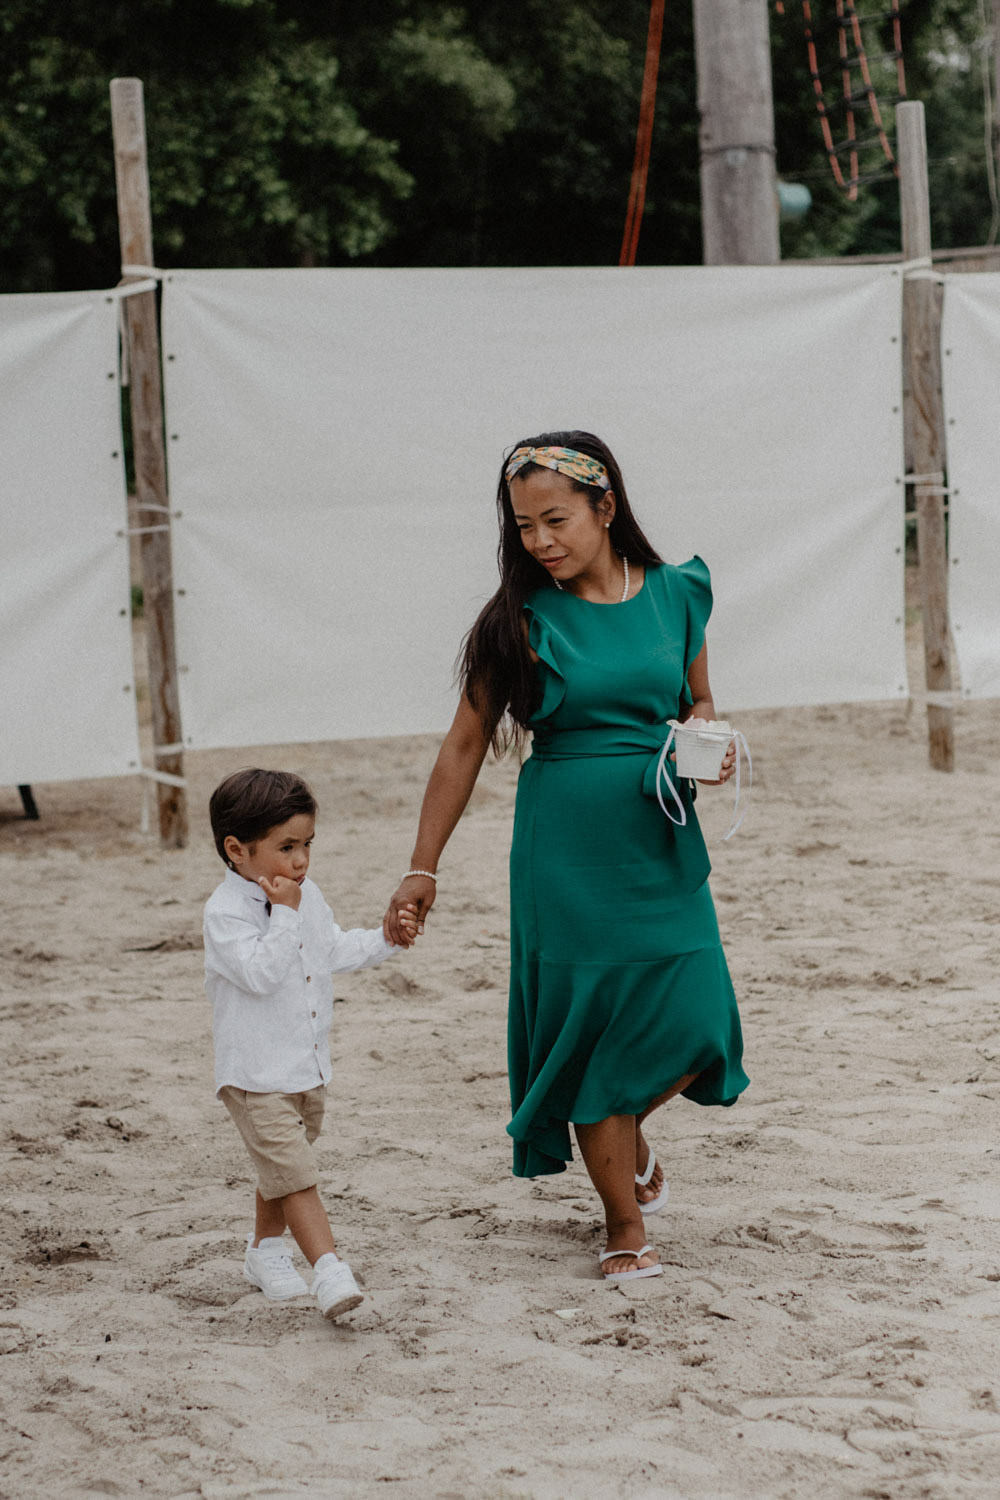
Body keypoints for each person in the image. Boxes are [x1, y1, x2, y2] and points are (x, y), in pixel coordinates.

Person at [384, 431, 749, 1283]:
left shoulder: (677, 592)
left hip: (658, 838)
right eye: (523, 526)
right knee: (589, 1037)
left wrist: (709, 737)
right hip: (565, 852)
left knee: (700, 1024)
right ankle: (624, 1223)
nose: (539, 540)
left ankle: (622, 1132)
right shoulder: (517, 621)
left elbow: (697, 699)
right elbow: (465, 744)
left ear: (606, 508)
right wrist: (422, 865)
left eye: (555, 519)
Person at [205, 767, 418, 1319]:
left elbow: (330, 950)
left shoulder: (304, 895)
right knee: (297, 1175)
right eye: (286, 847)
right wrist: (286, 915)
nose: (301, 861)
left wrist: (386, 939)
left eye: (307, 845)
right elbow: (260, 974)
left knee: (283, 1169)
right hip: (255, 1075)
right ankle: (329, 1270)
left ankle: (264, 1250)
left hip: (307, 1065)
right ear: (237, 850)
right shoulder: (225, 913)